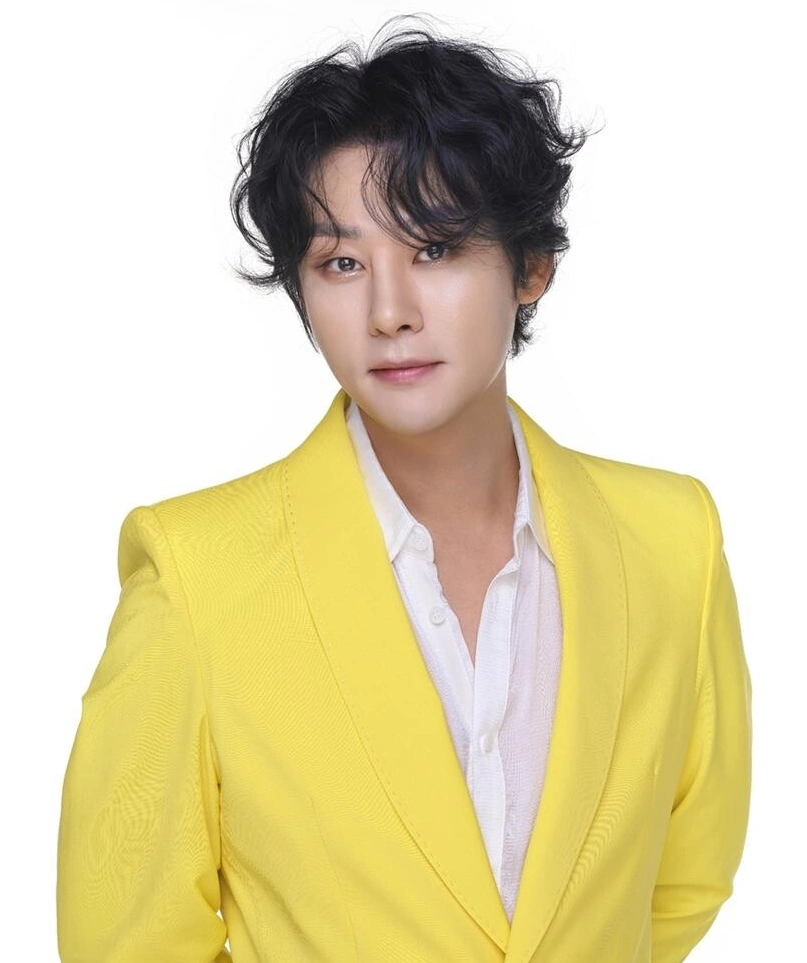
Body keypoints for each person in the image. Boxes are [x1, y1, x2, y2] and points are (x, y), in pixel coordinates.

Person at [56, 15, 752, 963]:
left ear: (531, 267)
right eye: (341, 263)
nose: (388, 312)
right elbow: (124, 942)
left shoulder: (672, 541)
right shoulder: (196, 577)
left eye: (434, 248)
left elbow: (682, 881)